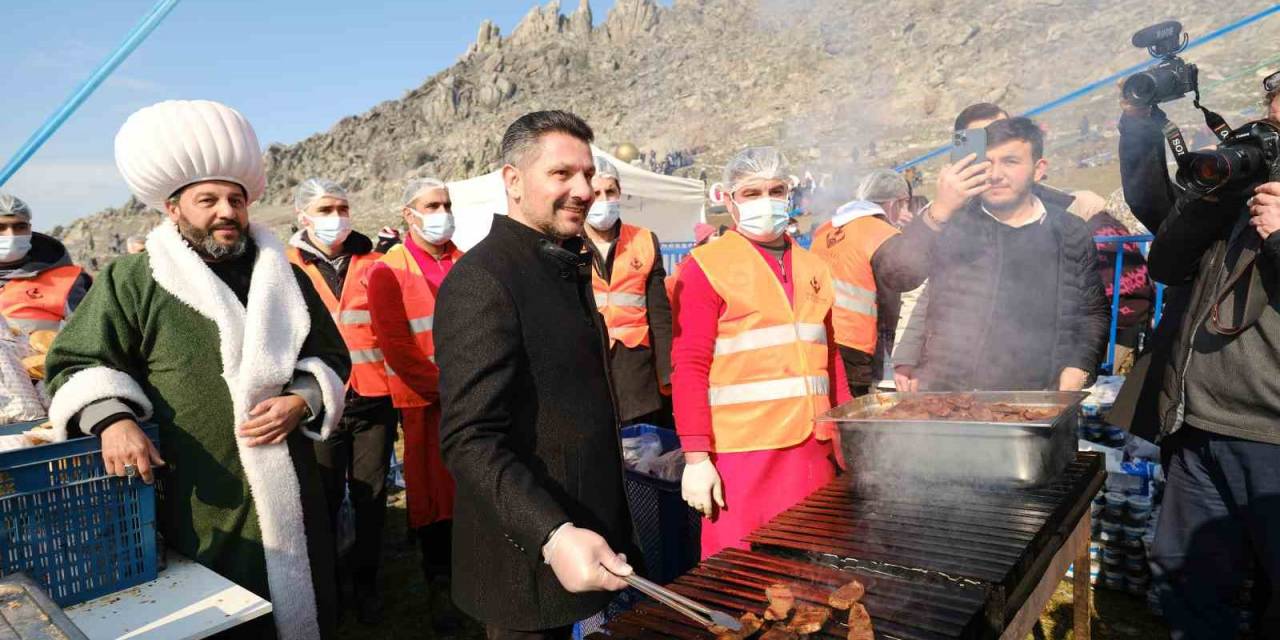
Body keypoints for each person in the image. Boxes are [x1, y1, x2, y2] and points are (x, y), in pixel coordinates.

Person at [44, 100, 349, 640]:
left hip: (291, 481)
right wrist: (113, 420)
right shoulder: (133, 279)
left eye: (236, 199)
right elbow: (78, 361)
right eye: (208, 200)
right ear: (173, 209)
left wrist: (302, 398)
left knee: (303, 605)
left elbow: (329, 355)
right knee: (219, 613)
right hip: (196, 492)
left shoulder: (286, 278)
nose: (226, 211)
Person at [435, 111, 637, 640]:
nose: (584, 190)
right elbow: (469, 438)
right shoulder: (484, 281)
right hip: (525, 564)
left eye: (588, 174)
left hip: (585, 537)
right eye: (561, 174)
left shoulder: (560, 263)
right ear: (513, 180)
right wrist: (552, 534)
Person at [671, 146, 852, 559]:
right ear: (729, 200)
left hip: (812, 447)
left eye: (776, 190)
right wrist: (697, 457)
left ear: (790, 194)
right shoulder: (706, 267)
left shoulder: (814, 267)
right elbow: (690, 366)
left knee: (811, 563)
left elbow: (830, 355)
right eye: (751, 193)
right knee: (742, 566)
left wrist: (844, 426)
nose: (766, 201)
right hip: (743, 453)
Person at [1144, 143, 1280, 640]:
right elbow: (1166, 263)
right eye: (1270, 123)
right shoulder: (1244, 189)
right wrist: (1206, 194)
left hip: (1271, 436)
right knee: (1187, 586)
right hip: (1199, 425)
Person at [886, 117, 1109, 392]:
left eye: (1010, 162)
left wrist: (1080, 367)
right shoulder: (951, 222)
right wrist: (939, 210)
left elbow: (1092, 311)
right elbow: (897, 276)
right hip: (952, 393)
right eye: (987, 163)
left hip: (1040, 395)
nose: (995, 174)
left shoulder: (1069, 230)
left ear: (1039, 169)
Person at [285, 178, 395, 625]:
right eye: (326, 209)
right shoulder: (284, 267)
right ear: (303, 217)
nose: (337, 217)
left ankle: (367, 584)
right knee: (323, 498)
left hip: (374, 400)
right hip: (318, 403)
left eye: (343, 208)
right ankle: (327, 587)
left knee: (372, 496)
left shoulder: (375, 263)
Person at [365, 177, 465, 630]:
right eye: (432, 205)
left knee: (474, 486)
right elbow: (398, 347)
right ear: (409, 215)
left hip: (475, 396)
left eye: (446, 204)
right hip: (427, 402)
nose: (443, 212)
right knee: (434, 496)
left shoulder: (466, 261)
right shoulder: (388, 270)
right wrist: (446, 389)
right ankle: (440, 581)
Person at [811, 170, 934, 395]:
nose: (905, 213)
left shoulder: (825, 231)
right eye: (904, 206)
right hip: (857, 348)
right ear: (895, 203)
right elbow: (894, 300)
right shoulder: (882, 235)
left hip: (820, 338)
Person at [583, 156, 673, 426]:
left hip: (636, 372)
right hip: (588, 366)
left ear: (620, 193)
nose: (603, 199)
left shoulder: (644, 240)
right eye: (596, 193)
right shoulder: (566, 244)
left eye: (610, 191)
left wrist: (668, 377)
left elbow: (660, 317)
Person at [1067, 190, 1154, 374]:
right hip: (1139, 305)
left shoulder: (1089, 232)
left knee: (1091, 371)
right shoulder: (1116, 226)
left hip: (1112, 310)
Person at [0, 193, 92, 333]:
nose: (11, 235)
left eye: (20, 227)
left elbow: (92, 335)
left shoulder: (66, 282)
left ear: (29, 229)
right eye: (0, 227)